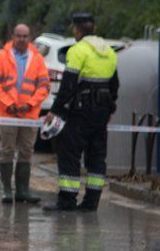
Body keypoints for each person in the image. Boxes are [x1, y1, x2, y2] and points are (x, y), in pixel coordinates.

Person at [43, 13, 119, 212]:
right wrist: (110, 109)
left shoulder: (78, 51)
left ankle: (67, 201)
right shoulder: (109, 52)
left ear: (76, 30)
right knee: (96, 157)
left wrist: (54, 111)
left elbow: (68, 86)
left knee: (69, 153)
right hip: (101, 112)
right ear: (94, 28)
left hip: (81, 112)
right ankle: (91, 202)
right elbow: (114, 85)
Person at [0, 24, 50, 204]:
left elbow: (44, 86)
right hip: (7, 114)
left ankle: (23, 190)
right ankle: (7, 190)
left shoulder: (37, 59)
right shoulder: (1, 57)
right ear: (12, 36)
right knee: (7, 151)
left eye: (25, 36)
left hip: (29, 115)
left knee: (26, 152)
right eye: (18, 36)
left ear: (30, 37)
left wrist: (29, 104)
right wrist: (9, 104)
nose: (22, 39)